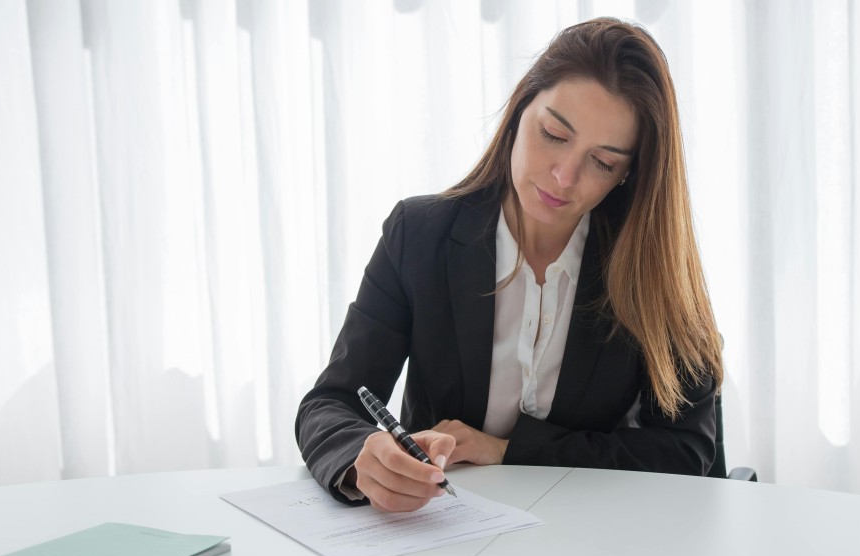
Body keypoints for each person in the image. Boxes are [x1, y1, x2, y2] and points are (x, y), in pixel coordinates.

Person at [296, 17, 724, 512]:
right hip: (443, 527)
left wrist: (508, 450)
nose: (564, 177)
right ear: (520, 111)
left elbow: (685, 450)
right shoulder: (418, 236)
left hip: (592, 529)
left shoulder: (651, 264)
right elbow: (330, 403)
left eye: (603, 162)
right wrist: (361, 458)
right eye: (553, 134)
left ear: (628, 174)